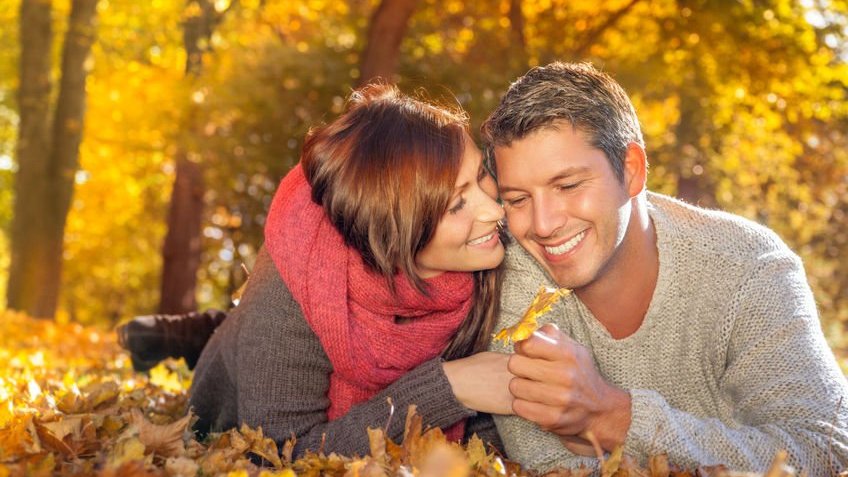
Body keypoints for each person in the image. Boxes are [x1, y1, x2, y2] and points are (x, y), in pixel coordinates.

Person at [480, 61, 848, 474]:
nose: (543, 225)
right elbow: (549, 466)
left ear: (633, 170)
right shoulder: (514, 280)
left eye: (567, 186)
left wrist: (615, 418)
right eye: (518, 199)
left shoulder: (749, 269)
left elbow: (825, 447)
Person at [180, 84, 515, 458]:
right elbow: (274, 453)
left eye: (482, 174)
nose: (494, 210)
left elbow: (490, 422)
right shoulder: (295, 273)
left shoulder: (492, 256)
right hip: (228, 426)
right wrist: (448, 389)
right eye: (456, 205)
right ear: (394, 234)